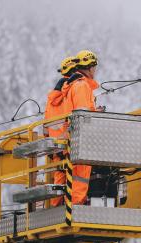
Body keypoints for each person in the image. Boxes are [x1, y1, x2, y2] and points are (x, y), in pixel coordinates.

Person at [60, 49, 100, 205]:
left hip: (73, 138)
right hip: (80, 140)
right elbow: (82, 114)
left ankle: (74, 203)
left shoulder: (74, 85)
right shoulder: (82, 86)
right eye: (94, 67)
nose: (95, 71)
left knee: (75, 176)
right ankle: (76, 205)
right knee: (80, 177)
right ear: (90, 67)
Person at [45, 56, 77, 206]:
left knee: (59, 179)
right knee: (73, 177)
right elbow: (73, 115)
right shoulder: (69, 90)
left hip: (55, 145)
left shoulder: (52, 97)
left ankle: (55, 206)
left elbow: (46, 124)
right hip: (67, 142)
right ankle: (69, 205)